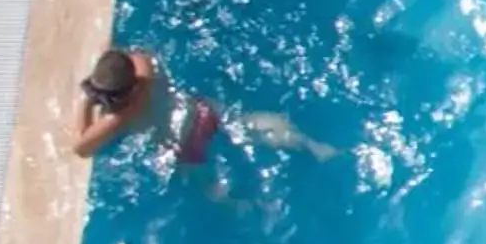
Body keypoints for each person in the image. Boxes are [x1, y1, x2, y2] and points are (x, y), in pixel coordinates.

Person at [68, 48, 337, 165]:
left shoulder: (117, 118)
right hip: (200, 110)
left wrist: (87, 99)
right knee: (245, 123)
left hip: (185, 144)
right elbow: (124, 55)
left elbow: (81, 148)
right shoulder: (142, 64)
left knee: (202, 184)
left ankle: (237, 206)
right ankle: (313, 145)